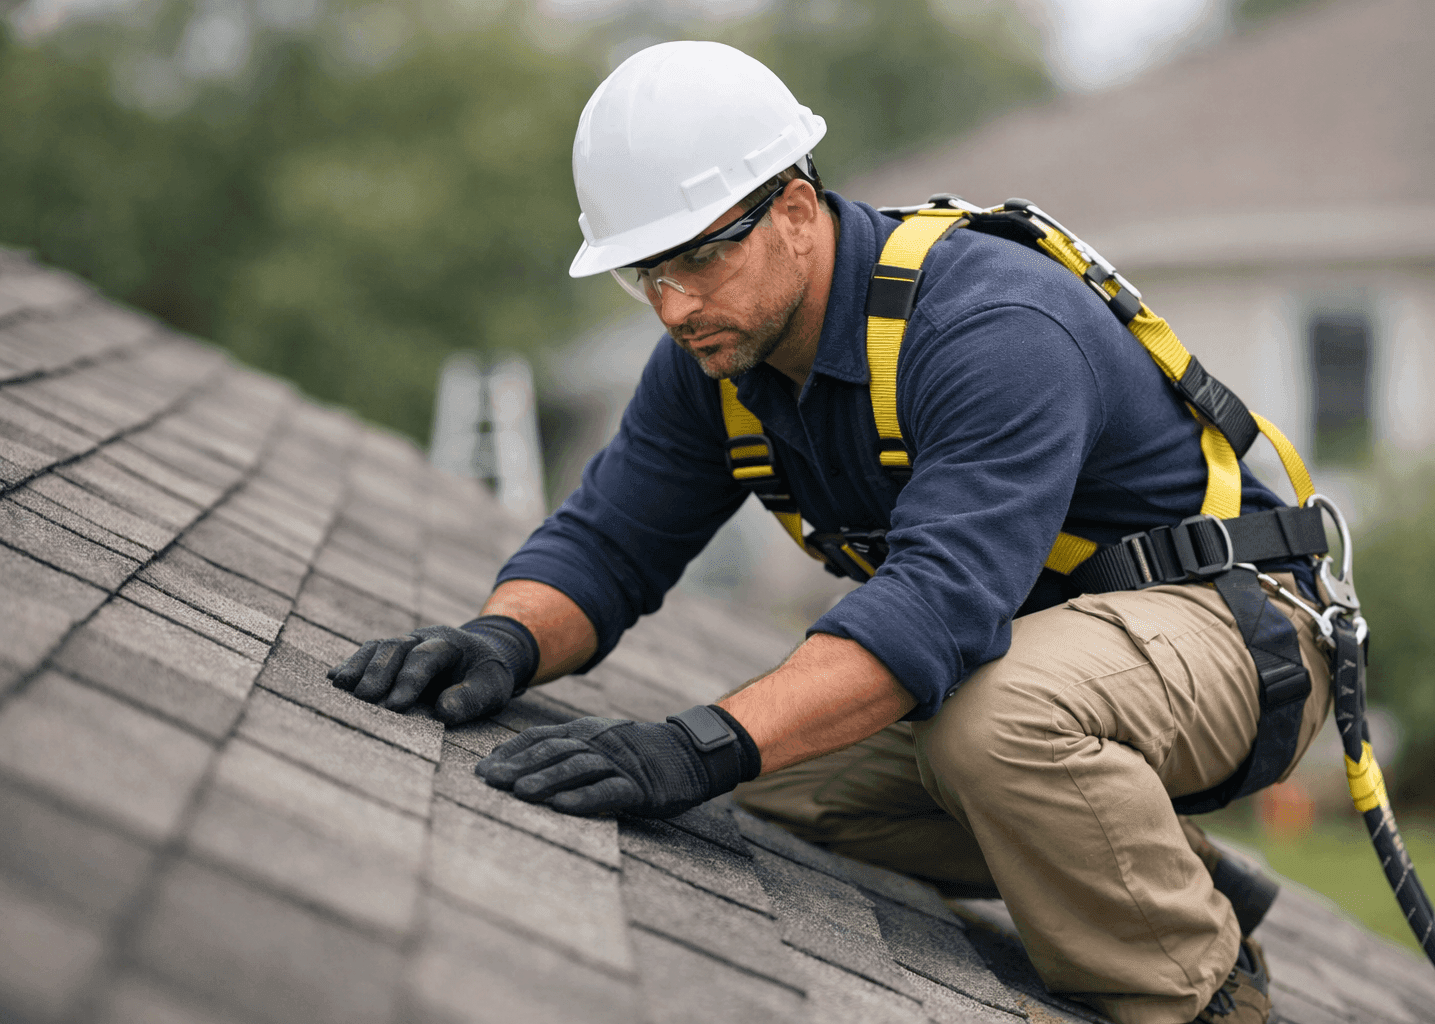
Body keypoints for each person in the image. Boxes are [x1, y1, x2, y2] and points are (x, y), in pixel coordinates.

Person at [328, 40, 1336, 1024]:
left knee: (974, 732)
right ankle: (1147, 864)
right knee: (792, 780)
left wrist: (698, 746)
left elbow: (934, 609)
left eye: (694, 259)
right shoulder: (720, 360)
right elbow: (607, 543)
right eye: (645, 275)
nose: (673, 307)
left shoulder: (994, 326)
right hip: (1050, 652)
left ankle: (1195, 995)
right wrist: (500, 639)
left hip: (1234, 630)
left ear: (797, 211)